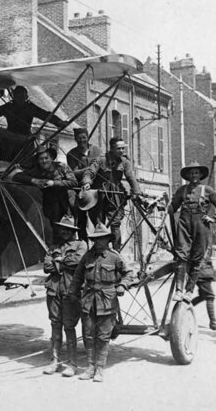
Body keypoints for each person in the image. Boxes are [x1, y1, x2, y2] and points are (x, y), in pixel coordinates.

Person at [69, 224, 133, 382]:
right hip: (89, 300)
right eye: (95, 239)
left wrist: (122, 285)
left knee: (103, 337)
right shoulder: (87, 257)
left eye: (101, 239)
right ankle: (90, 367)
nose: (98, 242)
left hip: (107, 300)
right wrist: (73, 293)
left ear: (107, 240)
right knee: (88, 335)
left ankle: (100, 369)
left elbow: (129, 273)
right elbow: (77, 276)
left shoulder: (114, 257)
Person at [168, 161, 216, 302]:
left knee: (197, 258)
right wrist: (162, 206)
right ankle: (179, 289)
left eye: (196, 173)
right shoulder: (182, 190)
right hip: (184, 222)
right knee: (181, 256)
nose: (194, 175)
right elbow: (173, 207)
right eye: (191, 173)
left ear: (200, 175)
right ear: (187, 175)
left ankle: (189, 291)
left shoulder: (207, 190)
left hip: (201, 224)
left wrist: (214, 218)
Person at [42, 216, 88, 377]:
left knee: (69, 327)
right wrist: (62, 262)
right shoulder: (54, 246)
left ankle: (72, 363)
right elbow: (46, 266)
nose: (65, 232)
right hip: (54, 290)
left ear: (74, 231)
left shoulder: (81, 244)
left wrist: (60, 260)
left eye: (68, 229)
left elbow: (79, 261)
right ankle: (54, 361)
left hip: (70, 290)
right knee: (55, 324)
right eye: (62, 229)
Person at [80, 136, 142, 251]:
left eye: (123, 148)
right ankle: (102, 251)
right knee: (99, 225)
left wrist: (136, 192)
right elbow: (89, 172)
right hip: (99, 195)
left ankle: (116, 251)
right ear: (112, 149)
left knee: (115, 224)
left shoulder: (125, 162)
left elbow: (131, 177)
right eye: (119, 149)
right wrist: (87, 182)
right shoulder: (101, 160)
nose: (122, 151)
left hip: (115, 196)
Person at [0, 85, 67, 163]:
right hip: (10, 140)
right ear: (14, 97)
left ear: (26, 97)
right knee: (6, 165)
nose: (20, 99)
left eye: (22, 97)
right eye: (18, 96)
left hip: (25, 140)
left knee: (26, 164)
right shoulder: (8, 107)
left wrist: (59, 122)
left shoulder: (30, 107)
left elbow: (45, 115)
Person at [12, 143, 77, 231]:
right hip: (49, 203)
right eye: (41, 159)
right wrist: (34, 180)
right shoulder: (37, 170)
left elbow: (73, 182)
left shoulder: (61, 167)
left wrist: (54, 183)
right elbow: (17, 176)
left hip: (65, 198)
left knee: (71, 222)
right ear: (38, 161)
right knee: (52, 225)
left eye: (46, 158)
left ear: (51, 158)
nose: (44, 161)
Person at [66, 127, 101, 241]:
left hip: (95, 190)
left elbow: (101, 167)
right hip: (80, 191)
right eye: (79, 138)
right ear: (75, 139)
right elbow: (74, 173)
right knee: (81, 220)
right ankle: (83, 245)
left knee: (97, 219)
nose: (82, 140)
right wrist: (90, 169)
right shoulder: (71, 154)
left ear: (88, 138)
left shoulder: (96, 150)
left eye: (84, 137)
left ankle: (100, 245)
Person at [188, 246, 216, 331]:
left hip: (204, 273)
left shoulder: (201, 244)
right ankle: (213, 322)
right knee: (210, 296)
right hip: (202, 274)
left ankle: (183, 309)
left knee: (203, 296)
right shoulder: (197, 245)